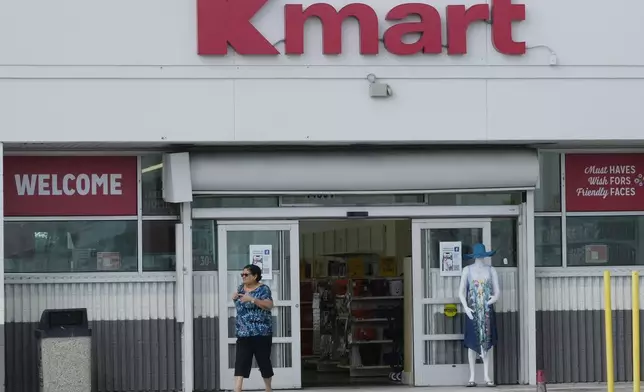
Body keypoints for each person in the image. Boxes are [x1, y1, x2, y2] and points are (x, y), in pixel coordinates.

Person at [231, 264, 274, 392]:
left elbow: (269, 305)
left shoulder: (263, 289)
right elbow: (241, 307)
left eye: (246, 274)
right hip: (243, 332)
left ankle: (268, 388)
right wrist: (234, 298)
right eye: (242, 274)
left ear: (255, 276)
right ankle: (237, 389)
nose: (243, 277)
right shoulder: (241, 288)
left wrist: (253, 299)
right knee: (241, 361)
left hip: (261, 332)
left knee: (263, 362)